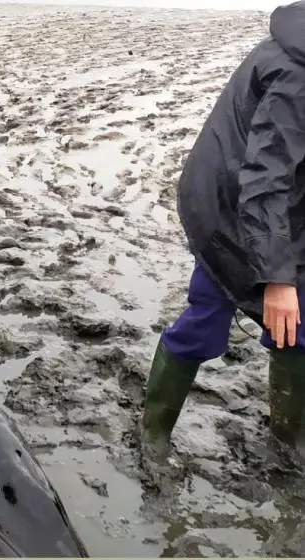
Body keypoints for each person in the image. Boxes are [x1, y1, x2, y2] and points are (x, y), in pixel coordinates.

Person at [141, 1, 305, 460]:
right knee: (207, 320)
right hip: (230, 207)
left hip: (282, 205)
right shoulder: (297, 75)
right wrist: (277, 278)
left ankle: (289, 441)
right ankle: (153, 434)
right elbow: (265, 179)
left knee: (299, 324)